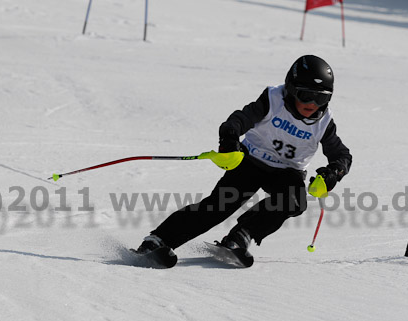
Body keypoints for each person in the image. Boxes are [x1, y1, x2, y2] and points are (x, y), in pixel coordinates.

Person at [136, 55, 352, 264]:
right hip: (251, 161)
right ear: (291, 90)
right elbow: (239, 119)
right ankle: (159, 239)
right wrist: (229, 141)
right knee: (219, 206)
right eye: (306, 95)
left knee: (293, 201)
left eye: (321, 98)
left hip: (288, 171)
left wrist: (332, 173)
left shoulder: (324, 123)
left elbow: (342, 155)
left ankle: (241, 235)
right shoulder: (272, 100)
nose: (313, 104)